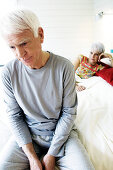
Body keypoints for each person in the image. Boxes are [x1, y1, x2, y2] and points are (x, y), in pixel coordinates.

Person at [0, 9, 94, 170]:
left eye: (24, 43)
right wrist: (31, 157)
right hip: (28, 135)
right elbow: (15, 117)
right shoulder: (8, 72)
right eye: (12, 47)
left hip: (62, 135)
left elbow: (68, 113)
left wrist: (51, 154)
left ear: (41, 35)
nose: (20, 54)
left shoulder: (64, 67)